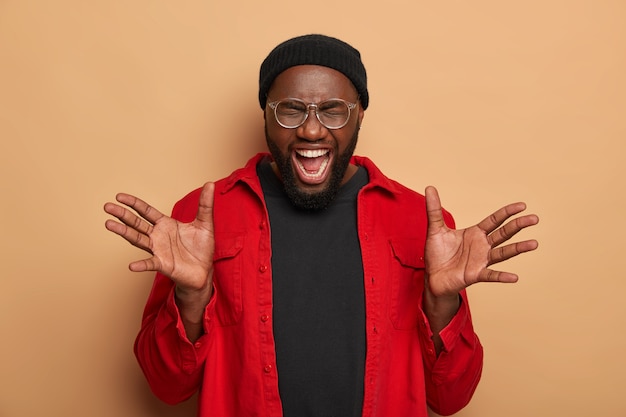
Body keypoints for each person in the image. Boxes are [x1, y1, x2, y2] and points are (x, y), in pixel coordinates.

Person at [104, 34, 539, 417]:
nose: (312, 130)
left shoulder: (421, 222)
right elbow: (167, 388)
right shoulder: (203, 216)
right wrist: (190, 298)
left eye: (332, 110)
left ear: (360, 115)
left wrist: (443, 306)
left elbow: (451, 399)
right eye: (291, 110)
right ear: (266, 116)